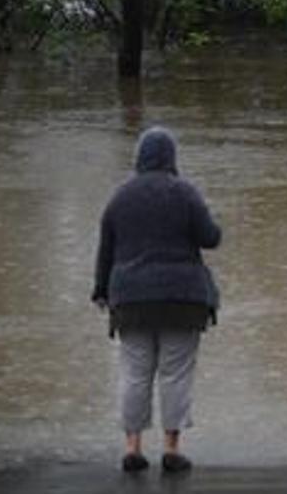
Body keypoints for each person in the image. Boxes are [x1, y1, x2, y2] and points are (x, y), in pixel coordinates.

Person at [92, 126, 222, 473]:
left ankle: (133, 447)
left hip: (131, 301)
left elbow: (105, 251)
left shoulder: (119, 198)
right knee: (174, 374)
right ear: (171, 158)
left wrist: (101, 291)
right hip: (182, 300)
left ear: (140, 158)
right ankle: (171, 449)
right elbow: (210, 238)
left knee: (135, 373)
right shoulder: (185, 193)